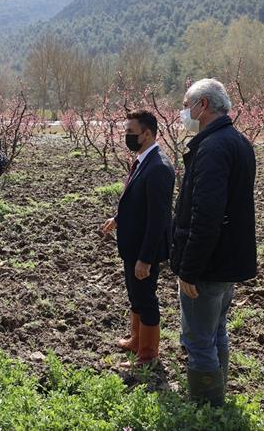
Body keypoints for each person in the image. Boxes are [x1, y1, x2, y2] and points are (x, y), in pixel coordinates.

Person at [170, 78, 257, 406]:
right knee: (217, 330)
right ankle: (217, 396)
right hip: (228, 261)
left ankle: (206, 407)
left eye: (185, 104)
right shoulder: (238, 142)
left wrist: (188, 269)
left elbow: (205, 216)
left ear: (202, 105)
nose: (183, 111)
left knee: (198, 338)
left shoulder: (211, 148)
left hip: (207, 265)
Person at [101, 110, 175, 367]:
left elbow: (158, 219)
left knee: (146, 298)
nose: (127, 137)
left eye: (131, 133)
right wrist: (118, 219)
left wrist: (145, 259)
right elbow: (136, 201)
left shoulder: (159, 168)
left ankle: (148, 355)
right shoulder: (143, 160)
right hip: (132, 245)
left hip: (145, 249)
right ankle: (136, 340)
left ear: (147, 133)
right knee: (135, 295)